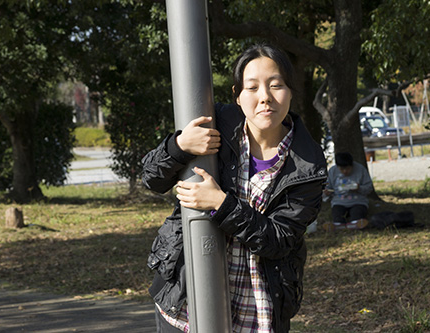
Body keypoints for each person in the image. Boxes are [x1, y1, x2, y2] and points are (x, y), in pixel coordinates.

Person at [142, 44, 327, 332]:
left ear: (291, 91)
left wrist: (221, 203)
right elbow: (152, 178)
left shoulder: (308, 164)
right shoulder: (216, 124)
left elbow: (280, 240)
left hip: (257, 310)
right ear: (237, 96)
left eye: (276, 86)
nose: (265, 97)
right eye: (252, 87)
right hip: (185, 302)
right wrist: (179, 146)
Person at [324, 152, 373, 230]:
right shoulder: (332, 171)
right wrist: (327, 192)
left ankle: (355, 223)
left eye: (348, 168)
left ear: (352, 165)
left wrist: (359, 188)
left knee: (357, 213)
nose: (345, 171)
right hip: (339, 202)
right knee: (337, 214)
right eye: (342, 169)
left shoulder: (360, 169)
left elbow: (369, 188)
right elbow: (328, 187)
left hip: (358, 201)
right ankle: (338, 225)